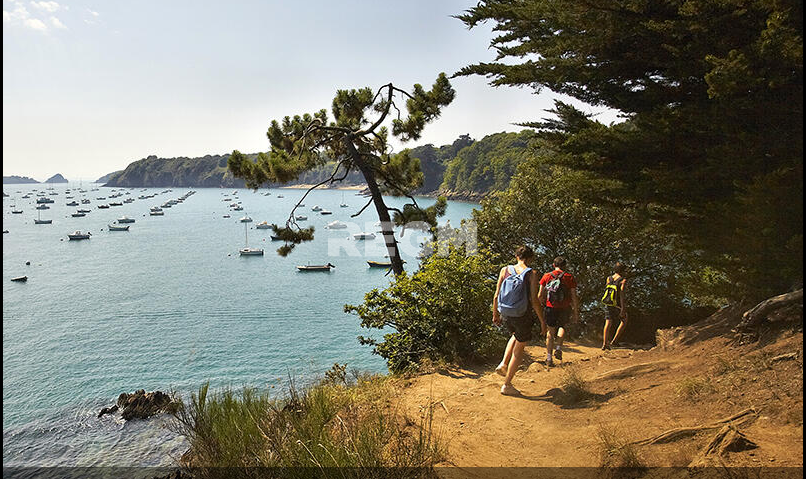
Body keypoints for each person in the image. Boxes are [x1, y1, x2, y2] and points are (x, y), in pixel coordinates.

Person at [492, 246, 545, 395]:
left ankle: (503, 363)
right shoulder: (532, 273)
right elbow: (534, 301)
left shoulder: (505, 270)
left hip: (505, 312)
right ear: (531, 258)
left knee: (515, 335)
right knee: (520, 347)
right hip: (522, 314)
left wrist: (495, 314)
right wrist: (542, 321)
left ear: (516, 256)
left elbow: (496, 295)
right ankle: (507, 385)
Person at [538, 256, 579, 366]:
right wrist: (575, 312)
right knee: (562, 327)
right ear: (565, 266)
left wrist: (542, 305)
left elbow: (539, 295)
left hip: (550, 307)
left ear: (553, 265)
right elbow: (574, 296)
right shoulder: (569, 277)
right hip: (565, 307)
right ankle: (559, 348)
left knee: (550, 332)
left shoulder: (546, 276)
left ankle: (549, 358)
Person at [601, 262, 629, 350]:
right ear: (622, 271)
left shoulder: (609, 278)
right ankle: (614, 341)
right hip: (617, 304)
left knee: (608, 322)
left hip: (608, 302)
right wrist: (623, 308)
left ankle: (605, 344)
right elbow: (622, 295)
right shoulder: (623, 280)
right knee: (624, 320)